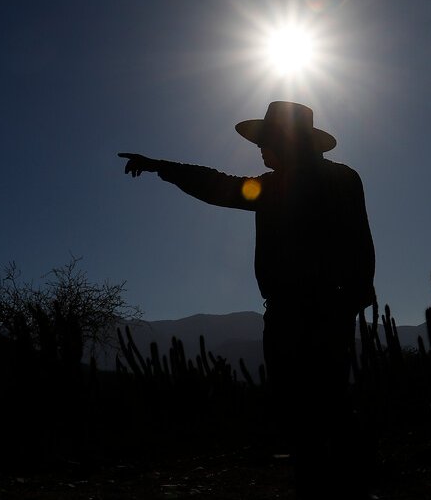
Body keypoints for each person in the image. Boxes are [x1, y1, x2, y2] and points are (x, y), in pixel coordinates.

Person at [119, 101, 375, 498]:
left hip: (297, 310)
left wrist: (158, 166)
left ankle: (323, 483)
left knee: (304, 406)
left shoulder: (277, 187)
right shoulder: (341, 179)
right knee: (329, 400)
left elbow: (218, 186)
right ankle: (346, 482)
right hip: (330, 308)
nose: (260, 149)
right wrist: (355, 296)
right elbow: (362, 243)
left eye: (266, 141)